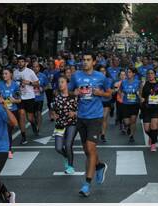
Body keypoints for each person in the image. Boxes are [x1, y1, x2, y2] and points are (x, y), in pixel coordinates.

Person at [70, 52, 111, 197]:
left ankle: (87, 184)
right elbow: (69, 91)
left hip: (95, 116)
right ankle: (99, 166)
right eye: (83, 60)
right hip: (81, 116)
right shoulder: (76, 76)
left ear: (94, 62)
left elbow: (109, 93)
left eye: (88, 60)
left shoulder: (101, 77)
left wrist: (100, 93)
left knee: (90, 147)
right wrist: (74, 92)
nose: (85, 62)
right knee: (88, 151)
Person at [52, 76, 78, 174]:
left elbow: (82, 110)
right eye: (59, 82)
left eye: (62, 82)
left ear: (67, 83)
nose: (60, 84)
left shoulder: (73, 96)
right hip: (60, 124)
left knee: (68, 145)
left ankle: (70, 167)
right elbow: (53, 110)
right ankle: (66, 157)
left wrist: (75, 113)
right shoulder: (57, 98)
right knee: (58, 148)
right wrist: (54, 115)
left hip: (72, 123)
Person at [13, 56, 39, 144]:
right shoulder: (15, 73)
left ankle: (33, 123)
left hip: (29, 97)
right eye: (19, 62)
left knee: (30, 118)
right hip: (20, 98)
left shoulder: (30, 72)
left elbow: (37, 84)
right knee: (21, 114)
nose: (20, 63)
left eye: (22, 62)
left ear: (25, 63)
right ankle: (23, 136)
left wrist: (29, 82)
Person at [0, 68, 21, 159]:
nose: (4, 75)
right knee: (2, 131)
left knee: (8, 131)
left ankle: (9, 150)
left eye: (6, 73)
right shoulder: (0, 84)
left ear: (11, 74)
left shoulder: (15, 85)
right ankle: (3, 149)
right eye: (3, 74)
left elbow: (19, 100)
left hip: (12, 111)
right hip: (2, 111)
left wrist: (14, 100)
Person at [141, 69, 158, 152]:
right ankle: (153, 137)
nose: (150, 75)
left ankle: (153, 144)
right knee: (147, 129)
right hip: (146, 108)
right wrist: (141, 100)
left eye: (152, 73)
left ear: (155, 75)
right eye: (149, 73)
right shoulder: (144, 84)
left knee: (154, 126)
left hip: (156, 108)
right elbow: (142, 95)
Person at [119, 67, 141, 143]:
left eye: (130, 72)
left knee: (133, 121)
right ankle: (127, 127)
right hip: (125, 104)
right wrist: (121, 97)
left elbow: (140, 92)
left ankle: (131, 135)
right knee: (127, 122)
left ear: (133, 74)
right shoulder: (124, 82)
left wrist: (139, 96)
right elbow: (120, 90)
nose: (128, 74)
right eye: (127, 72)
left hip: (135, 104)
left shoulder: (138, 82)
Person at [98, 66, 113, 142]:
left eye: (104, 71)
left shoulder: (109, 80)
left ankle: (103, 134)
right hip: (97, 101)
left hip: (106, 100)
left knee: (104, 118)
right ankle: (99, 130)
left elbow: (112, 89)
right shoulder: (95, 80)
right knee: (98, 118)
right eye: (101, 71)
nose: (102, 72)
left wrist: (111, 91)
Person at [33, 61, 48, 135]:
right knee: (33, 114)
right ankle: (35, 123)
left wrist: (43, 89)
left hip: (39, 98)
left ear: (39, 68)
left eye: (37, 67)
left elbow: (47, 85)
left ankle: (38, 128)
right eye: (34, 67)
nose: (35, 68)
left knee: (38, 113)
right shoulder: (30, 75)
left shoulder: (43, 76)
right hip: (31, 98)